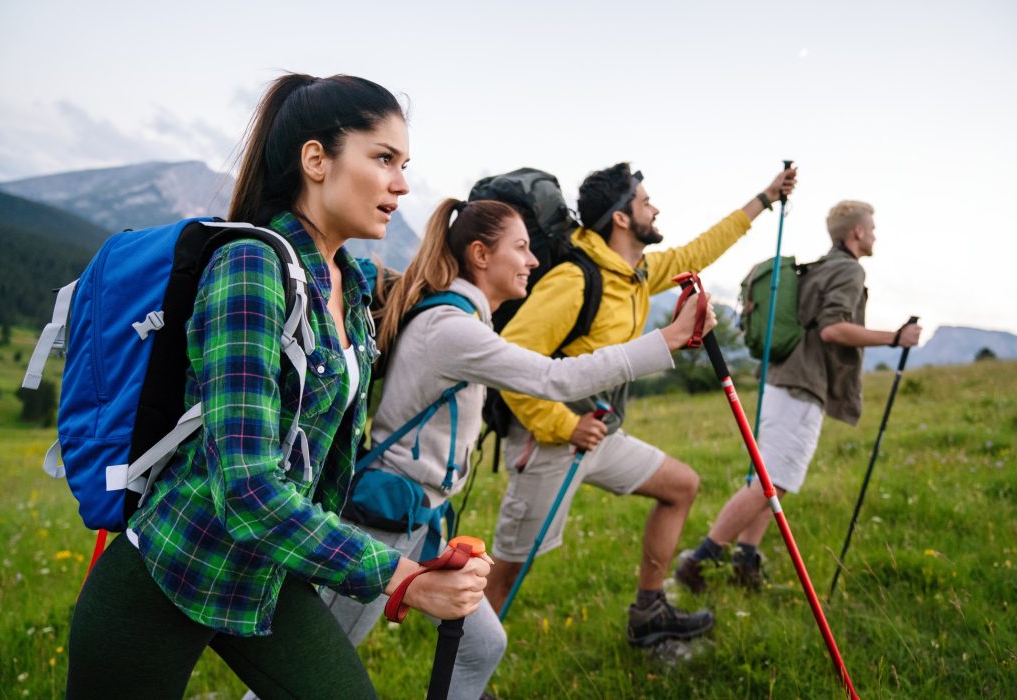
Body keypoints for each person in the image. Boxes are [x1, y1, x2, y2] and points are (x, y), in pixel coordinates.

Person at [66, 74, 490, 700]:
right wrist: (401, 577)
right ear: (316, 160)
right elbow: (247, 488)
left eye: (404, 165)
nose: (402, 184)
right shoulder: (251, 267)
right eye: (383, 159)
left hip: (267, 569)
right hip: (171, 569)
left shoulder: (349, 284)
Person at [323, 196, 716, 699]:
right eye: (522, 247)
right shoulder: (451, 328)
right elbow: (556, 379)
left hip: (419, 519)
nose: (533, 260)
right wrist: (669, 338)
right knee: (317, 674)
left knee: (482, 645)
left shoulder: (464, 320)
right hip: (384, 520)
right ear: (481, 255)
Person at [484, 162, 798, 648]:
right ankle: (458, 671)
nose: (656, 209)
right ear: (622, 218)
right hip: (547, 441)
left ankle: (649, 612)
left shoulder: (637, 274)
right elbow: (509, 362)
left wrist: (766, 197)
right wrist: (564, 425)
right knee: (506, 572)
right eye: (645, 201)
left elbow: (701, 250)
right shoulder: (575, 280)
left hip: (600, 434)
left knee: (681, 486)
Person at [675, 200, 922, 593]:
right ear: (857, 231)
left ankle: (745, 560)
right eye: (872, 228)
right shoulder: (848, 271)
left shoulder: (819, 267)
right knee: (771, 482)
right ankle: (699, 561)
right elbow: (832, 329)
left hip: (781, 379)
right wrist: (894, 338)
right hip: (801, 384)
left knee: (773, 478)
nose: (875, 235)